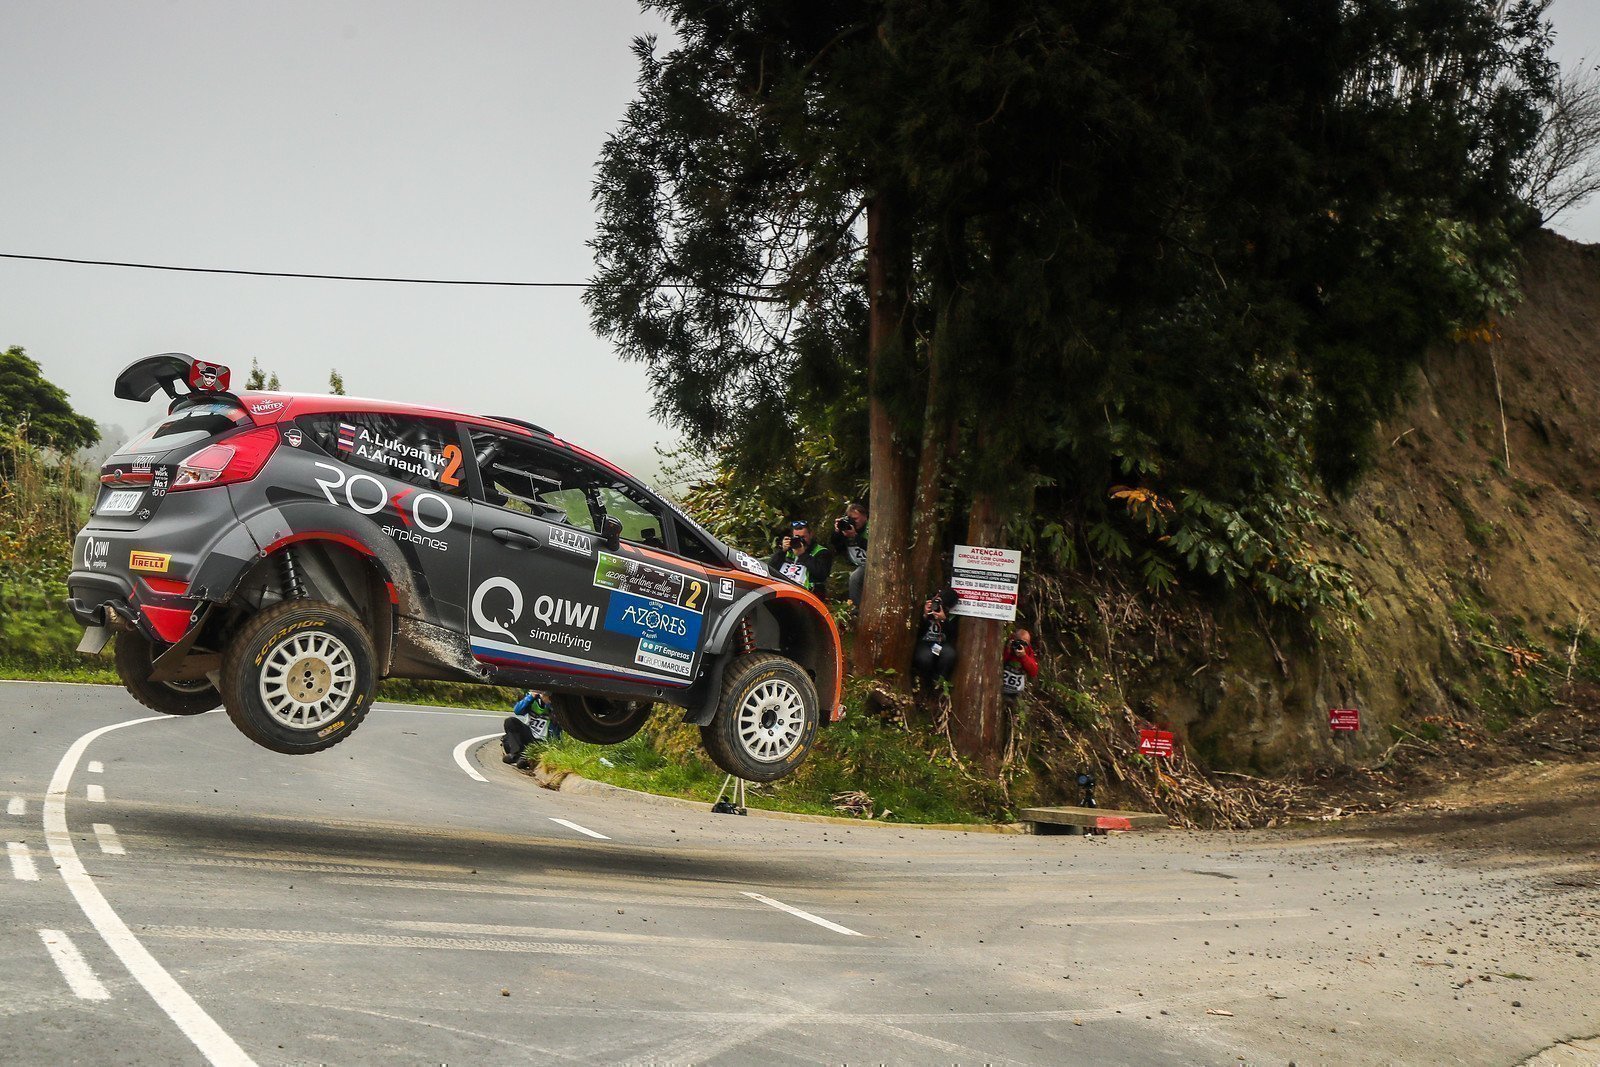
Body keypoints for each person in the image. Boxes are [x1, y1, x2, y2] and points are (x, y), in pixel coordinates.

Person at [768, 520, 834, 597]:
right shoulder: (787, 551)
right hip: (782, 591)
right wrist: (782, 551)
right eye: (797, 537)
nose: (800, 540)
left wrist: (802, 555)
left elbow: (821, 575)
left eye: (803, 537)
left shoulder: (821, 552)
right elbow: (770, 569)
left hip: (807, 595)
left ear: (811, 534)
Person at [911, 586, 960, 684]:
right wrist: (925, 615)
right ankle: (924, 681)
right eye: (937, 600)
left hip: (939, 644)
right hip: (925, 642)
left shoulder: (951, 615)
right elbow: (917, 630)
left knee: (948, 654)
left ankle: (938, 682)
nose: (937, 604)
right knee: (925, 657)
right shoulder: (925, 605)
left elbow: (952, 634)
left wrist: (943, 619)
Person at [501, 690, 558, 765]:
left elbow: (558, 720)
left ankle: (523, 759)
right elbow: (517, 711)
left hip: (543, 741)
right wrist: (531, 697)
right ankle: (516, 754)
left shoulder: (556, 704)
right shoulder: (532, 700)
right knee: (510, 722)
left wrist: (547, 702)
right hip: (529, 734)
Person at [829, 501, 869, 606]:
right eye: (851, 519)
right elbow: (835, 544)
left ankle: (855, 610)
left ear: (865, 517)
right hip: (855, 564)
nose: (854, 522)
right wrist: (838, 531)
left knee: (855, 577)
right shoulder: (846, 528)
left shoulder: (872, 527)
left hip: (872, 563)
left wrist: (855, 536)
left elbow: (874, 548)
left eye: (856, 519)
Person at [1002, 628, 1040, 699]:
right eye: (1019, 642)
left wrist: (1024, 656)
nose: (1021, 646)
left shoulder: (1028, 651)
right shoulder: (1007, 645)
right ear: (1014, 639)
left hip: (1015, 693)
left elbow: (1033, 672)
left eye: (1024, 644)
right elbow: (997, 662)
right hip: (999, 688)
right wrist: (1007, 650)